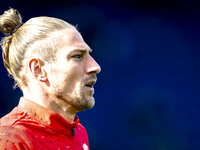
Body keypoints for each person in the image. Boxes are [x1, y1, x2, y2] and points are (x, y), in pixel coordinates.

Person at [0, 8, 101, 150]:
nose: (95, 66)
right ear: (38, 69)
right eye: (77, 56)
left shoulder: (79, 133)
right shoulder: (8, 140)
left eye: (88, 55)